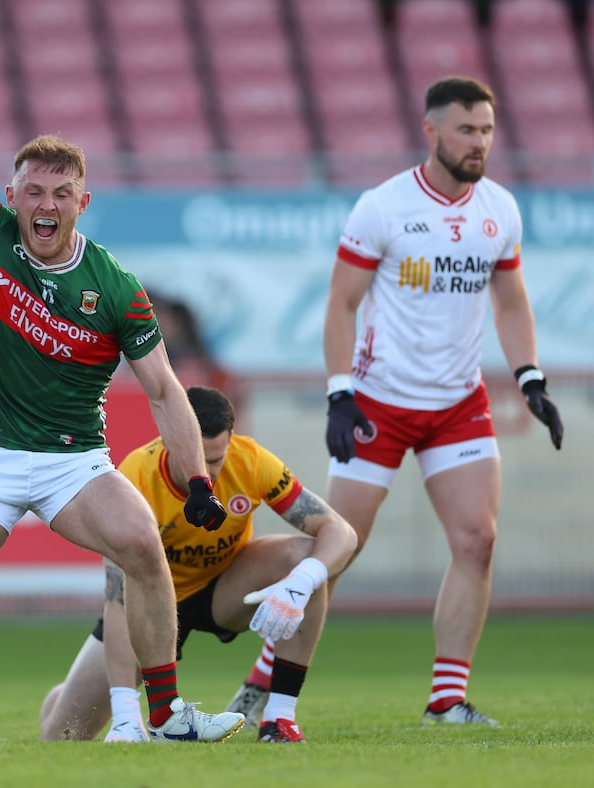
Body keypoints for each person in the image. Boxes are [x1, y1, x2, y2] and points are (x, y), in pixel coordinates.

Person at [0, 21, 243, 746]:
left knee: (142, 545)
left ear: (81, 203)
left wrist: (196, 482)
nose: (45, 203)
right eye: (32, 190)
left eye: (60, 192)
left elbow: (163, 388)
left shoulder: (115, 286)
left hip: (73, 460)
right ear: (13, 194)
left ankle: (167, 719)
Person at [241, 76, 564, 728]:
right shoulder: (383, 207)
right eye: (467, 130)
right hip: (379, 404)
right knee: (337, 549)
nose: (480, 143)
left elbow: (509, 299)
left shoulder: (500, 208)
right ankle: (268, 675)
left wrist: (530, 376)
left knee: (478, 540)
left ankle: (446, 700)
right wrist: (339, 394)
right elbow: (341, 302)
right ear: (432, 131)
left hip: (458, 403)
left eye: (488, 130)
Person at [39, 386, 357, 743]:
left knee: (308, 559)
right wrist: (127, 713)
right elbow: (117, 597)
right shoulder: (135, 476)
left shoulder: (250, 460)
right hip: (147, 606)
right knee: (63, 734)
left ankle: (279, 718)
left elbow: (340, 532)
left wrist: (304, 580)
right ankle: (66, 697)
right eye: (197, 458)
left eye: (216, 460)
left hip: (222, 590)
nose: (209, 473)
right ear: (170, 437)